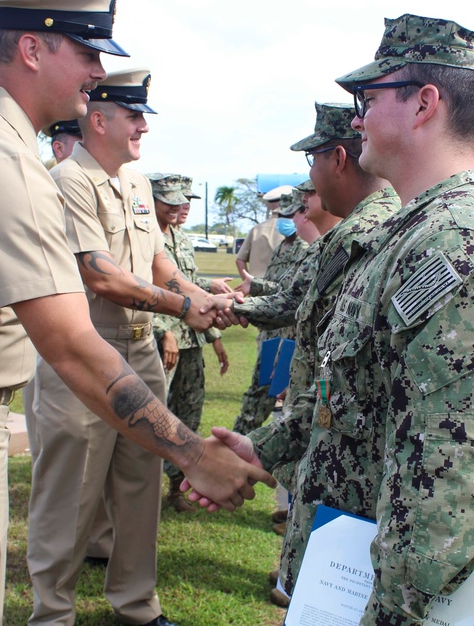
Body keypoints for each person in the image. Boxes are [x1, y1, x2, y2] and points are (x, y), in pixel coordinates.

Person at [0, 0, 270, 626]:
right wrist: (192, 453)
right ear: (30, 49)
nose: (99, 72)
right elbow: (71, 341)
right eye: (87, 51)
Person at [196, 14, 474, 624]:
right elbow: (353, 399)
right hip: (354, 566)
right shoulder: (408, 235)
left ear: (423, 104)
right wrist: (261, 448)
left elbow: (451, 482)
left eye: (368, 99)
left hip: (399, 600)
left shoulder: (456, 245)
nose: (356, 120)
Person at [26, 69, 242, 626]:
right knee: (71, 493)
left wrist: (201, 296)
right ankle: (52, 614)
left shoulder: (136, 183)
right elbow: (98, 274)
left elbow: (157, 262)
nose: (143, 126)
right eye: (133, 116)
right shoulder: (68, 180)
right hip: (87, 357)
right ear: (98, 120)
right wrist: (181, 308)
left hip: (142, 354)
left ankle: (137, 606)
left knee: (140, 485)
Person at [232, 101, 400, 608]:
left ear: (338, 160)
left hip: (346, 464)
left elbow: (350, 379)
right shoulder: (354, 232)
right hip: (325, 436)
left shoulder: (366, 236)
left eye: (312, 162)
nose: (310, 181)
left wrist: (261, 446)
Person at [149, 172, 231, 512]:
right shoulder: (145, 239)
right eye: (169, 200)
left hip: (191, 340)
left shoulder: (181, 239)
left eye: (183, 200)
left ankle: (175, 486)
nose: (178, 206)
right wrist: (164, 330)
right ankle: (141, 489)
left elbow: (187, 283)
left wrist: (214, 337)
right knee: (154, 416)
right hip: (159, 343)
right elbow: (141, 288)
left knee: (188, 414)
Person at [231, 192, 310, 436]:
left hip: (290, 338)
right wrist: (255, 286)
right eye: (281, 216)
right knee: (260, 390)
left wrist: (255, 287)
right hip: (271, 335)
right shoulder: (282, 247)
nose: (284, 221)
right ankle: (239, 440)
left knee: (285, 397)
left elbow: (292, 294)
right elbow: (278, 286)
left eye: (290, 215)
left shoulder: (305, 249)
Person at [235, 186, 290, 281]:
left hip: (257, 286)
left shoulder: (256, 229)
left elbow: (240, 260)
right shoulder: (294, 229)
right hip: (283, 288)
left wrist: (248, 283)